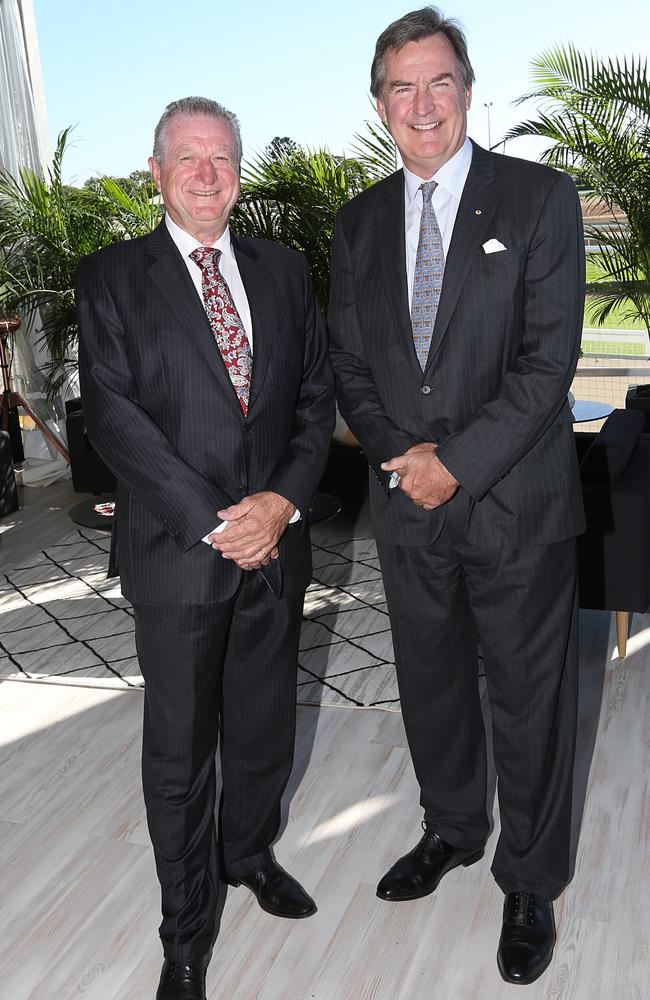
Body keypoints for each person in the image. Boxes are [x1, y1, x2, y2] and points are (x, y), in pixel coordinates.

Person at [328, 7, 585, 987]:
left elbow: (545, 358)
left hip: (514, 505)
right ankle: (449, 828)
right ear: (379, 102)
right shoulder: (354, 224)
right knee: (431, 686)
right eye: (401, 87)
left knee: (527, 700)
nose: (421, 104)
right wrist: (403, 456)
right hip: (404, 505)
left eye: (438, 82)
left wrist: (456, 460)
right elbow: (349, 361)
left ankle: (528, 879)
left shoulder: (536, 199)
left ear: (468, 89)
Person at [76, 97, 334, 1000]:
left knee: (263, 729)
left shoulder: (283, 268)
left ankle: (250, 854)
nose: (207, 171)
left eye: (222, 155)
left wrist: (280, 504)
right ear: (157, 173)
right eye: (188, 156)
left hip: (277, 546)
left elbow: (313, 395)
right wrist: (222, 520)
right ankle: (185, 934)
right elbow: (113, 414)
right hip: (181, 552)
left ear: (238, 170)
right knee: (181, 755)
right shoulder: (111, 275)